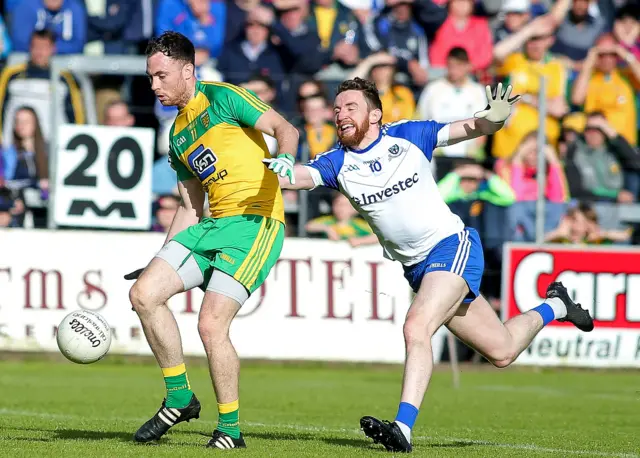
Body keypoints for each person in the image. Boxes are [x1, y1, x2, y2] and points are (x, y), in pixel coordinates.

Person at [276, 77, 594, 453]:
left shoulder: (411, 135)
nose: (340, 114)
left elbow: (474, 126)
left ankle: (403, 430)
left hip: (452, 246)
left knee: (416, 326)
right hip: (421, 270)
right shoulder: (337, 162)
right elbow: (295, 177)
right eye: (338, 109)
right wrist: (272, 166)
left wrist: (495, 120)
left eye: (351, 107)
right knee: (502, 351)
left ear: (375, 114)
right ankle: (557, 304)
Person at [125, 31, 299, 450]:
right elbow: (189, 207)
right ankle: (180, 396)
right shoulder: (177, 134)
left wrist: (288, 161)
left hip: (255, 224)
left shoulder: (223, 97)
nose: (154, 85)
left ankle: (231, 431)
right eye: (150, 78)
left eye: (161, 76)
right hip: (212, 224)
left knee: (210, 324)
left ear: (188, 70)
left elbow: (283, 127)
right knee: (144, 294)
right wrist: (159, 257)